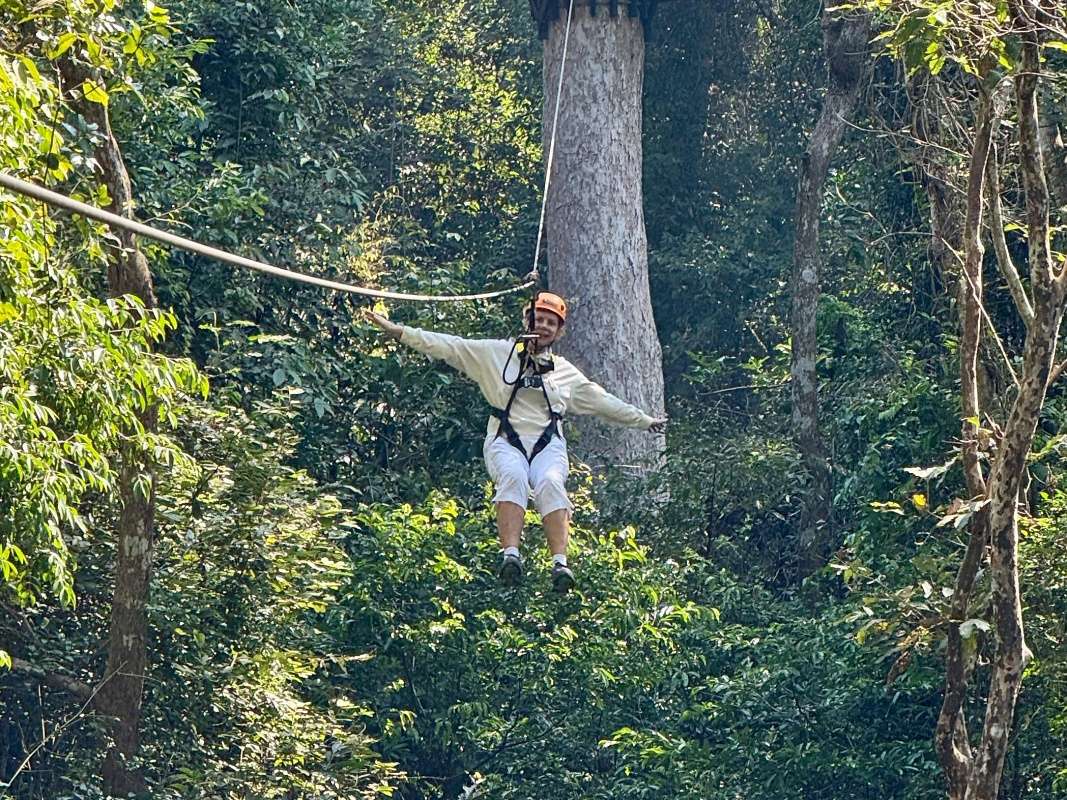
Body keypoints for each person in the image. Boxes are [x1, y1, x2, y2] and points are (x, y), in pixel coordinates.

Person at [364, 292, 666, 593]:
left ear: (559, 332)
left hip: (548, 444)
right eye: (539, 319)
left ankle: (560, 563)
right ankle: (511, 556)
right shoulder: (497, 354)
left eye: (551, 323)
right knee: (513, 477)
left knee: (550, 483)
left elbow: (603, 402)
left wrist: (644, 420)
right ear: (527, 321)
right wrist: (399, 331)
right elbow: (450, 346)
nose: (544, 326)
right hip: (505, 440)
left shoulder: (563, 372)